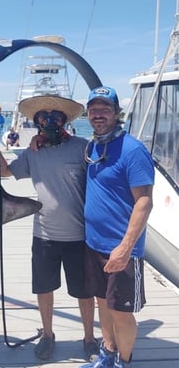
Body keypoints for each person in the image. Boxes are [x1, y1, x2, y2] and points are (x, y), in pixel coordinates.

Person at [0, 94, 99, 361]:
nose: (50, 120)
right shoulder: (32, 153)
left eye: (56, 115)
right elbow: (6, 171)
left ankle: (90, 337)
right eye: (44, 116)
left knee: (84, 291)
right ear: (37, 122)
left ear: (65, 121)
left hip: (79, 235)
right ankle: (47, 334)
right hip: (44, 234)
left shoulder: (83, 147)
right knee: (44, 288)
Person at [80, 86, 154, 368]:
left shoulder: (133, 150)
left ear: (116, 113)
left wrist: (124, 248)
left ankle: (124, 361)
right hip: (94, 244)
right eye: (94, 109)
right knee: (103, 303)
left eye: (105, 109)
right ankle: (107, 354)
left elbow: (144, 202)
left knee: (121, 312)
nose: (99, 115)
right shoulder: (94, 146)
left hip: (122, 249)